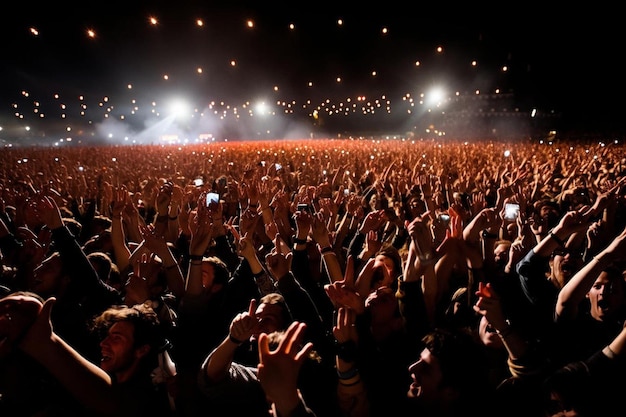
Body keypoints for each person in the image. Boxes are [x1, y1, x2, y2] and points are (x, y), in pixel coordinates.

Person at [15, 294, 174, 417]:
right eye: (107, 335)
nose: (103, 343)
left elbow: (115, 402)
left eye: (116, 338)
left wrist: (46, 342)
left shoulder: (148, 401)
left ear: (142, 350)